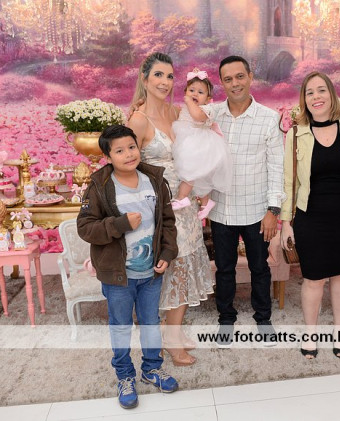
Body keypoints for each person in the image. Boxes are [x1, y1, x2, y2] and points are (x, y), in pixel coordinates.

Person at [77, 124, 179, 409]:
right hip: (118, 276)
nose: (129, 154)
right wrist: (120, 224)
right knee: (121, 326)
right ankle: (124, 376)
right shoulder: (99, 187)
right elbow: (85, 228)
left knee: (151, 323)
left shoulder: (154, 181)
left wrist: (167, 252)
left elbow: (167, 222)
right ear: (108, 157)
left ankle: (152, 369)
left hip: (151, 273)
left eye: (132, 147)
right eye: (119, 151)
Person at [128, 52, 214, 367]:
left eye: (169, 76)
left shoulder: (177, 112)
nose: (165, 82)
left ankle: (172, 331)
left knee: (185, 267)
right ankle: (166, 337)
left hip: (185, 205)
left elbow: (198, 140)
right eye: (158, 75)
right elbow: (126, 166)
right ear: (145, 78)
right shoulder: (138, 120)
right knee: (165, 270)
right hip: (158, 208)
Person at [280, 71, 340, 359]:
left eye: (321, 90)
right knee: (313, 278)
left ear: (332, 95)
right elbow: (289, 182)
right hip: (310, 217)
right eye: (310, 92)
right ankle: (310, 334)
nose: (316, 96)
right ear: (304, 99)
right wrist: (286, 223)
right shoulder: (296, 134)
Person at [209, 55, 284, 347]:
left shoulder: (268, 118)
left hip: (256, 211)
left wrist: (273, 209)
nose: (235, 84)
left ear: (250, 77)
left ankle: (263, 319)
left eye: (240, 76)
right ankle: (226, 319)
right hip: (221, 209)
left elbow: (276, 167)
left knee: (259, 268)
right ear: (221, 83)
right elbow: (182, 119)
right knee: (224, 269)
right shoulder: (211, 116)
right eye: (228, 79)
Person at [171, 68, 232, 220]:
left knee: (190, 172)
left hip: (198, 143)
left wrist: (188, 101)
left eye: (200, 92)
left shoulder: (206, 108)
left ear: (207, 98)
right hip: (189, 139)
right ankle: (206, 203)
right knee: (200, 177)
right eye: (191, 90)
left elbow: (197, 116)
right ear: (185, 91)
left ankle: (182, 197)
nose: (195, 94)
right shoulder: (184, 107)